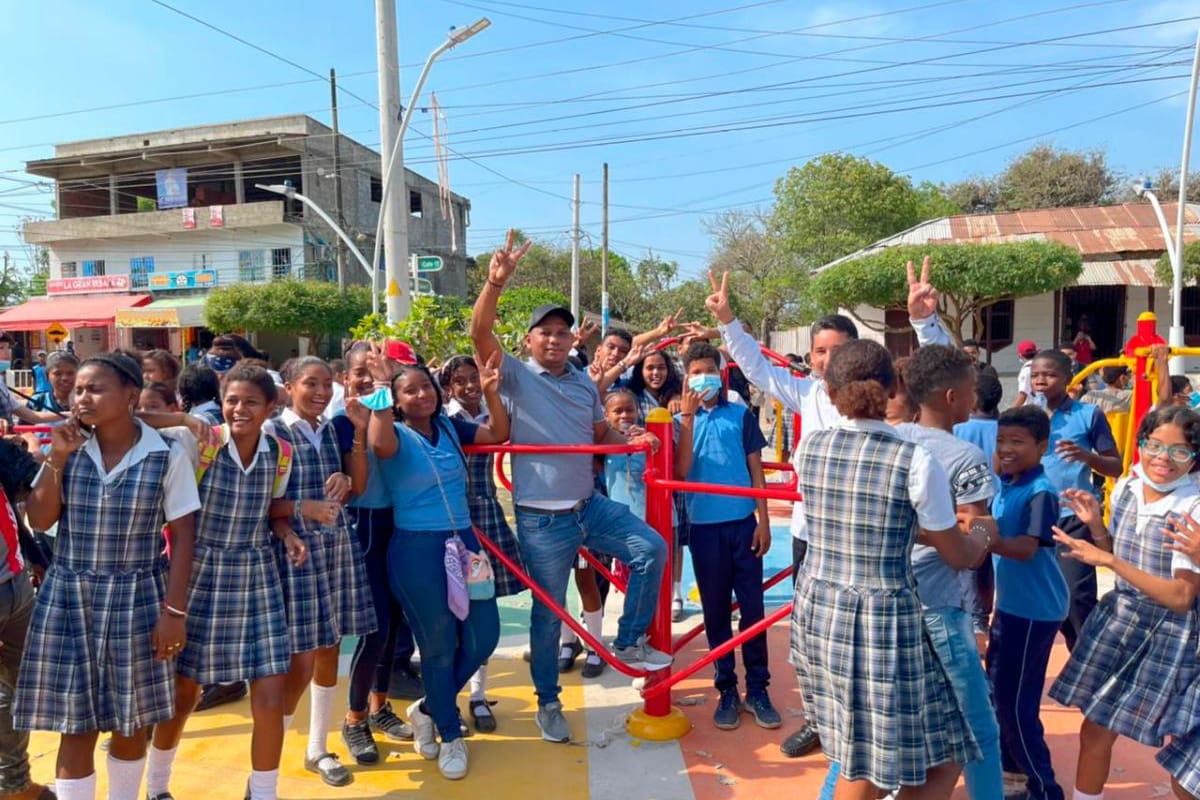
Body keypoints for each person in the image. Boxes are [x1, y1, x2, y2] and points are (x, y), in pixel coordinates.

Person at [470, 230, 669, 745]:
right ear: (529, 341)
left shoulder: (584, 381)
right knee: (548, 611)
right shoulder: (514, 375)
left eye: (562, 332)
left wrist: (630, 434)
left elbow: (598, 432)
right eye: (546, 333)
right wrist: (495, 284)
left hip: (589, 506)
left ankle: (628, 642)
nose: (556, 339)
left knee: (651, 547)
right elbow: (480, 331)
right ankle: (548, 703)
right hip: (542, 519)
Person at [792, 339, 988, 799]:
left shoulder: (812, 446)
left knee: (873, 754)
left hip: (820, 610)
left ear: (828, 388)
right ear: (895, 385)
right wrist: (981, 532)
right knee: (897, 763)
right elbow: (959, 554)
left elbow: (856, 520)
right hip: (882, 623)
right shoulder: (915, 460)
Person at [16, 352, 200, 800]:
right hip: (69, 595)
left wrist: (174, 612)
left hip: (139, 594)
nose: (82, 398)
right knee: (73, 725)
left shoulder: (166, 454)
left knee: (130, 720)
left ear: (131, 395)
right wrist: (56, 458)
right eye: (78, 389)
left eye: (95, 388)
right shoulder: (68, 451)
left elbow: (184, 537)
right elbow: (39, 521)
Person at [705, 269, 855, 759]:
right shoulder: (808, 393)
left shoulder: (886, 400)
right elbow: (758, 371)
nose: (827, 359)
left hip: (861, 537)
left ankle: (856, 726)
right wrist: (728, 322)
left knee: (856, 635)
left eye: (837, 349)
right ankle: (816, 719)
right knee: (808, 630)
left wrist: (925, 322)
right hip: (812, 534)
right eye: (820, 351)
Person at [145, 363, 306, 800]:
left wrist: (288, 532)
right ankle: (157, 786)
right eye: (232, 400)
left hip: (257, 577)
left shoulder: (282, 453)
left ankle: (263, 792)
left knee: (271, 691)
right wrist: (181, 416)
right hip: (200, 576)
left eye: (251, 401)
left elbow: (273, 510)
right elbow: (129, 419)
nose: (239, 409)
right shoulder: (199, 441)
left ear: (271, 407)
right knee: (184, 692)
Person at [366, 348, 506, 780]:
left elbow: (497, 434)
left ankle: (427, 707)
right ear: (396, 398)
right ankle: (450, 732)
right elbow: (377, 444)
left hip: (465, 543)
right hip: (416, 549)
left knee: (484, 635)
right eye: (409, 390)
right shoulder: (392, 430)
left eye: (425, 386)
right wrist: (379, 389)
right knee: (439, 645)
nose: (421, 394)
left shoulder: (448, 426)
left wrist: (490, 393)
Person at [1048, 405, 1200, 800]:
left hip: (1169, 634)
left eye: (1180, 451)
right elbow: (1119, 552)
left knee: (1187, 764)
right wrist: (1098, 529)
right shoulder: (1131, 487)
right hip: (1123, 622)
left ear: (1194, 458)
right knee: (1095, 727)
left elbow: (1182, 598)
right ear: (1141, 444)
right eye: (1155, 445)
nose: (1163, 459)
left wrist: (1109, 559)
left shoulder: (1190, 508)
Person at [897, 346, 1003, 800]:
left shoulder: (890, 439)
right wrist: (984, 533)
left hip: (889, 603)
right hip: (940, 605)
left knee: (873, 727)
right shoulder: (965, 456)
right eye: (972, 388)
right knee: (979, 726)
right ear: (952, 396)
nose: (977, 395)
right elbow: (973, 542)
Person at [270, 357, 376, 787]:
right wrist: (301, 510)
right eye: (309, 383)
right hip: (295, 553)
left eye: (326, 384)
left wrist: (346, 475)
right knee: (300, 658)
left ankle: (318, 747)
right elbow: (258, 504)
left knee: (331, 646)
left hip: (334, 547)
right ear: (289, 385)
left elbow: (360, 487)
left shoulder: (330, 429)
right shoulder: (273, 433)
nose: (319, 391)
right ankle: (269, 758)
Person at [674, 341, 780, 731]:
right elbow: (682, 472)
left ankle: (758, 688)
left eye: (708, 370)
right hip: (704, 529)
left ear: (720, 374)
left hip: (742, 525)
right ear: (686, 378)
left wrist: (763, 519)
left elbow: (756, 470)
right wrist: (685, 418)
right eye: (694, 371)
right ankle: (727, 689)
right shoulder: (678, 420)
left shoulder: (740, 415)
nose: (702, 377)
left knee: (753, 610)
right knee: (716, 611)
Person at [338, 343, 417, 767]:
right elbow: (357, 488)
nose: (367, 379)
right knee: (375, 629)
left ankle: (379, 706)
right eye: (359, 372)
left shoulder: (397, 419)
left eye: (377, 371)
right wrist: (356, 429)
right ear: (345, 378)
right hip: (366, 527)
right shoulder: (340, 423)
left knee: (395, 624)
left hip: (401, 526)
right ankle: (353, 719)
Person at [441, 354, 530, 721]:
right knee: (451, 614)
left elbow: (502, 431)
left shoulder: (492, 412)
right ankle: (445, 697)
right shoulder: (446, 420)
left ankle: (478, 695)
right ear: (448, 387)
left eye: (473, 378)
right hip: (452, 519)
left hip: (486, 511)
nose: (469, 387)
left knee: (481, 607)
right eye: (459, 381)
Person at [987, 406, 1069, 800]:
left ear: (1042, 446)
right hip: (1013, 607)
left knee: (1013, 705)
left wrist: (984, 538)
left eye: (1017, 442)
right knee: (1003, 692)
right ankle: (1014, 774)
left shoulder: (1041, 493)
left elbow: (1024, 547)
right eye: (1001, 440)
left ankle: (1044, 788)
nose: (1005, 448)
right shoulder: (1008, 482)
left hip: (1035, 611)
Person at [1029, 349, 1122, 650]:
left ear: (1068, 379)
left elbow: (1115, 465)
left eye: (1049, 374)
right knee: (1036, 600)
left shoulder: (1088, 415)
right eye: (1035, 375)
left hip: (1072, 519)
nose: (1041, 380)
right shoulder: (1028, 416)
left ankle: (1087, 662)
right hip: (1033, 518)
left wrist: (1085, 456)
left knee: (1077, 600)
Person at [0, 433, 52, 799]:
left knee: (18, 688)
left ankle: (15, 782)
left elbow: (23, 486)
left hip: (15, 580)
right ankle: (14, 786)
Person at [26, 351, 78, 418]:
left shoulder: (86, 402)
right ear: (47, 376)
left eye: (70, 373)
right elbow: (23, 428)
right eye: (58, 374)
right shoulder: (36, 402)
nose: (65, 378)